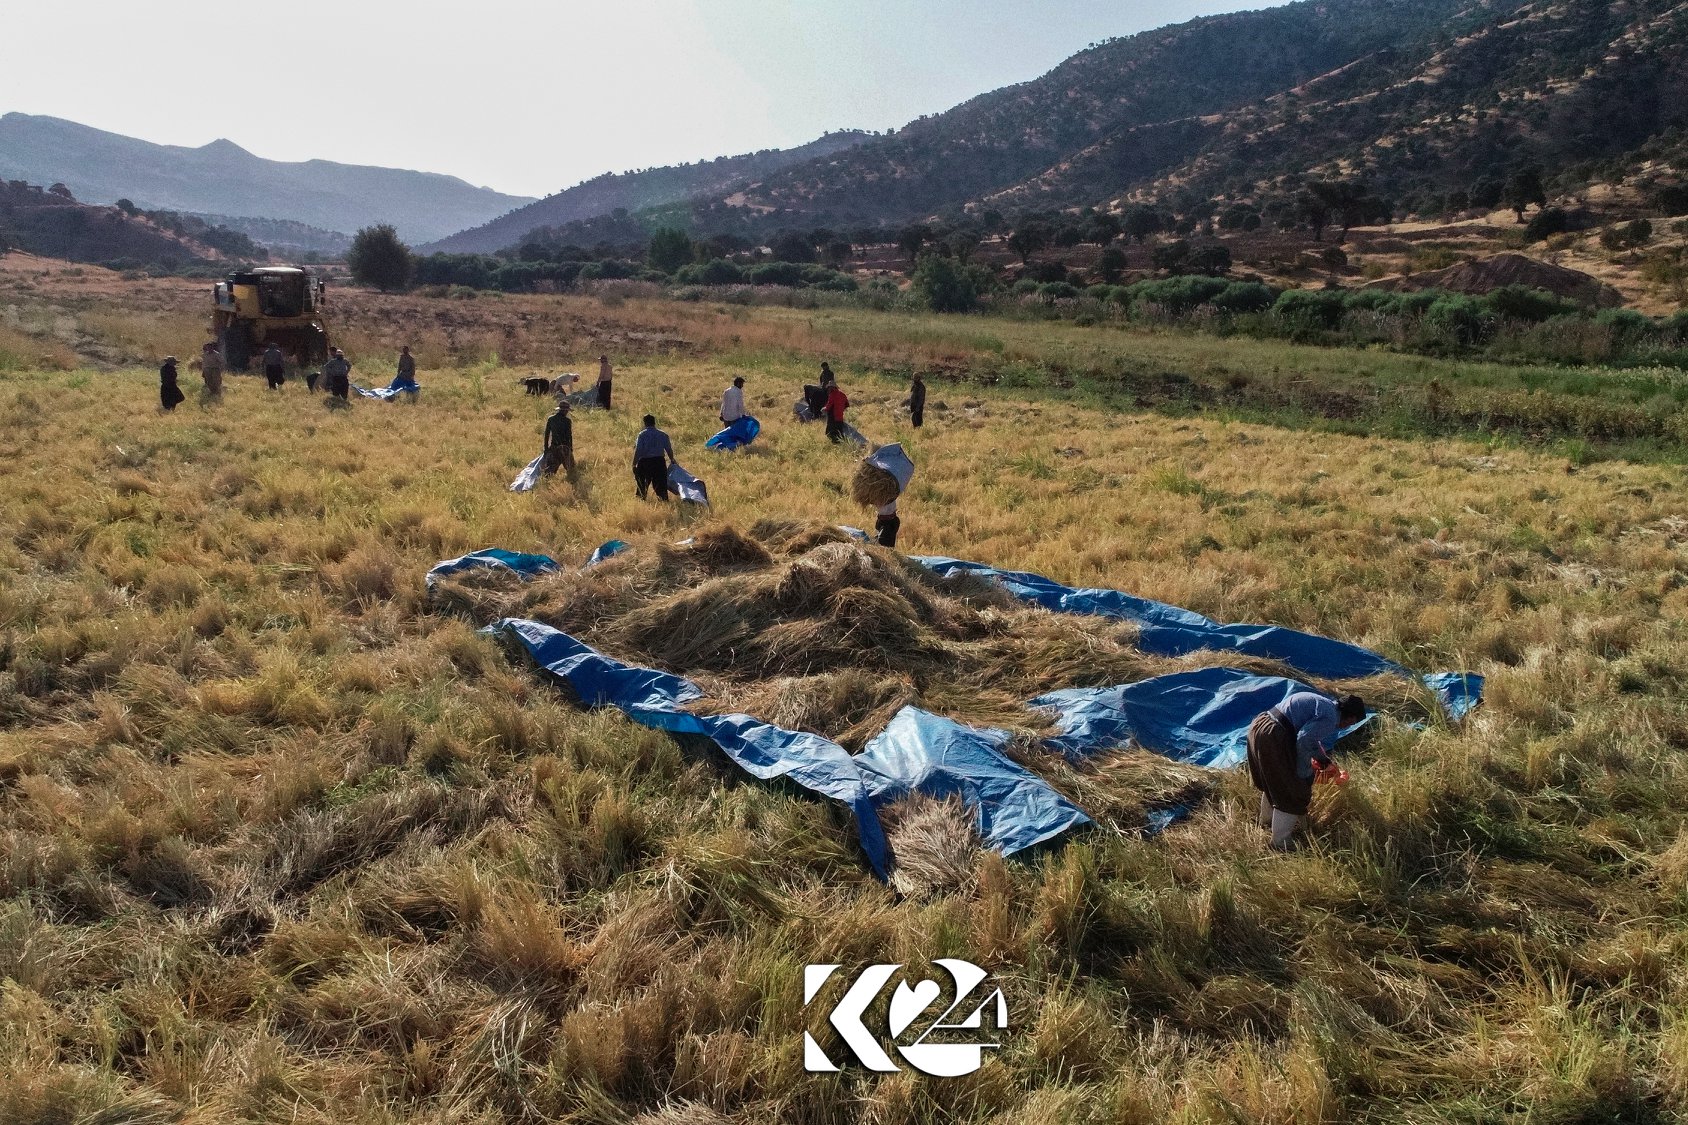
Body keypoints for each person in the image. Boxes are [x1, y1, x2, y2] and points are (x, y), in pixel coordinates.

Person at [1247, 692, 1365, 851]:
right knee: (1293, 791)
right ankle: (1280, 843)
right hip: (1274, 735)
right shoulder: (1330, 718)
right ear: (1350, 718)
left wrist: (1323, 760)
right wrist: (1305, 775)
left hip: (1260, 725)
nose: (1348, 726)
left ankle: (1266, 822)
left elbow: (1310, 740)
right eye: (1352, 723)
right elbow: (1303, 743)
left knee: (1274, 781)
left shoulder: (1324, 705)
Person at [632, 414, 674, 500]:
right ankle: (663, 501)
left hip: (645, 462)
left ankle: (641, 502)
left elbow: (638, 450)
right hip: (659, 462)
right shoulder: (663, 434)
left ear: (645, 423)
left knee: (642, 485)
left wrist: (634, 464)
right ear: (654, 422)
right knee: (661, 485)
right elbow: (669, 449)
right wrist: (672, 459)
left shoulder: (642, 435)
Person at [542, 400, 575, 477]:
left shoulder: (551, 419)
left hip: (554, 447)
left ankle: (546, 485)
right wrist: (570, 448)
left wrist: (546, 448)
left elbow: (547, 435)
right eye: (567, 411)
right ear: (565, 411)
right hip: (564, 448)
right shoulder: (567, 421)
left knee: (549, 472)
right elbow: (569, 436)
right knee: (571, 470)